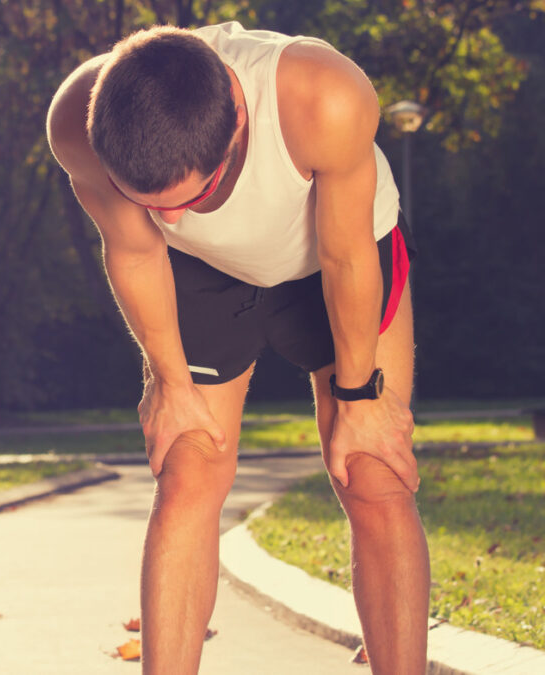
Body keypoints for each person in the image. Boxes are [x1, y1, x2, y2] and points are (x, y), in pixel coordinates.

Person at [46, 21, 430, 675]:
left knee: (372, 470)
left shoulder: (323, 97)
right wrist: (169, 382)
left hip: (334, 257)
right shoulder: (76, 121)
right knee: (188, 470)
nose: (170, 216)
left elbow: (344, 255)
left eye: (192, 197)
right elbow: (138, 250)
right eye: (152, 204)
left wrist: (360, 395)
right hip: (198, 270)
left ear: (240, 117)